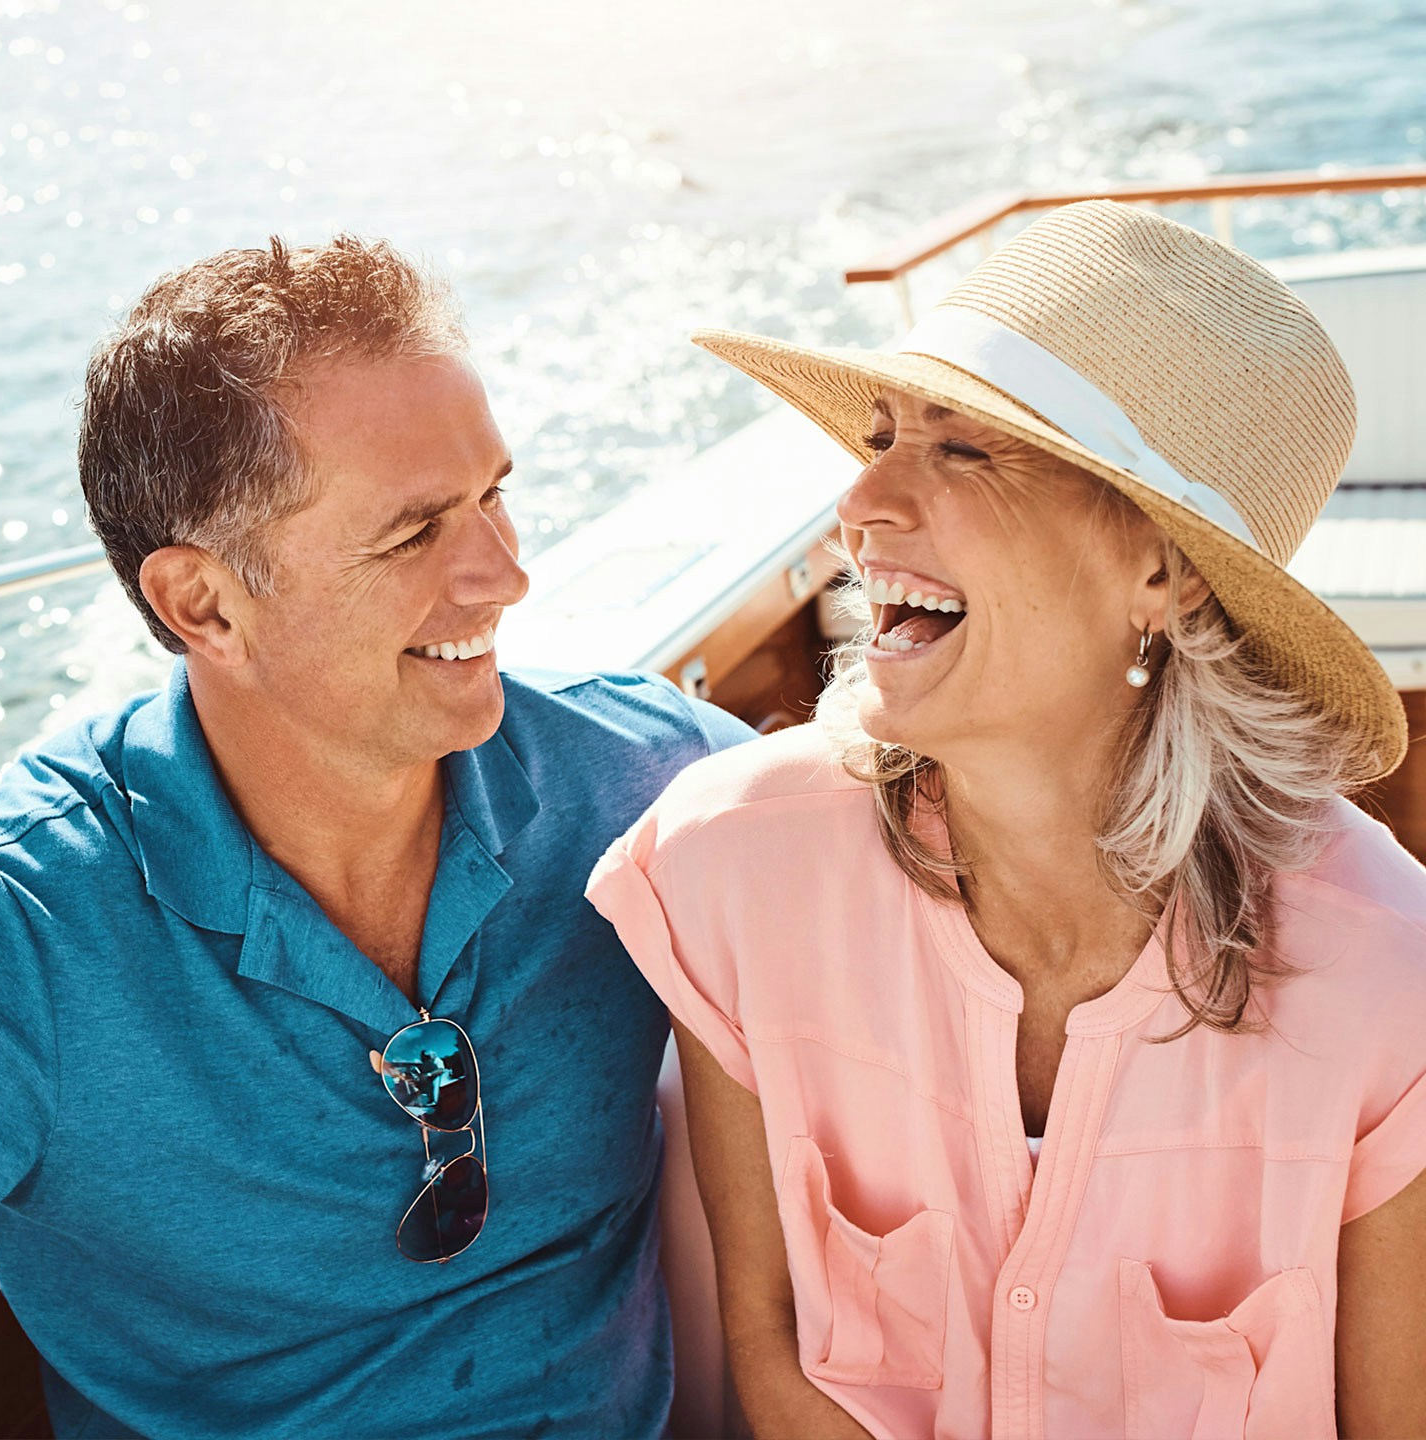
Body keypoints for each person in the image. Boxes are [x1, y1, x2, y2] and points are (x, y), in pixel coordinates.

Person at [588, 200, 1426, 1439]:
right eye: (880, 437)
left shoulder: (1385, 975)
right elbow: (769, 1355)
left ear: (1162, 572)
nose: (859, 504)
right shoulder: (730, 867)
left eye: (966, 451)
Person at [0, 235, 754, 1439]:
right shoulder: (22, 931)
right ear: (206, 604)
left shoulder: (652, 781)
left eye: (494, 494)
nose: (505, 575)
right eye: (413, 534)